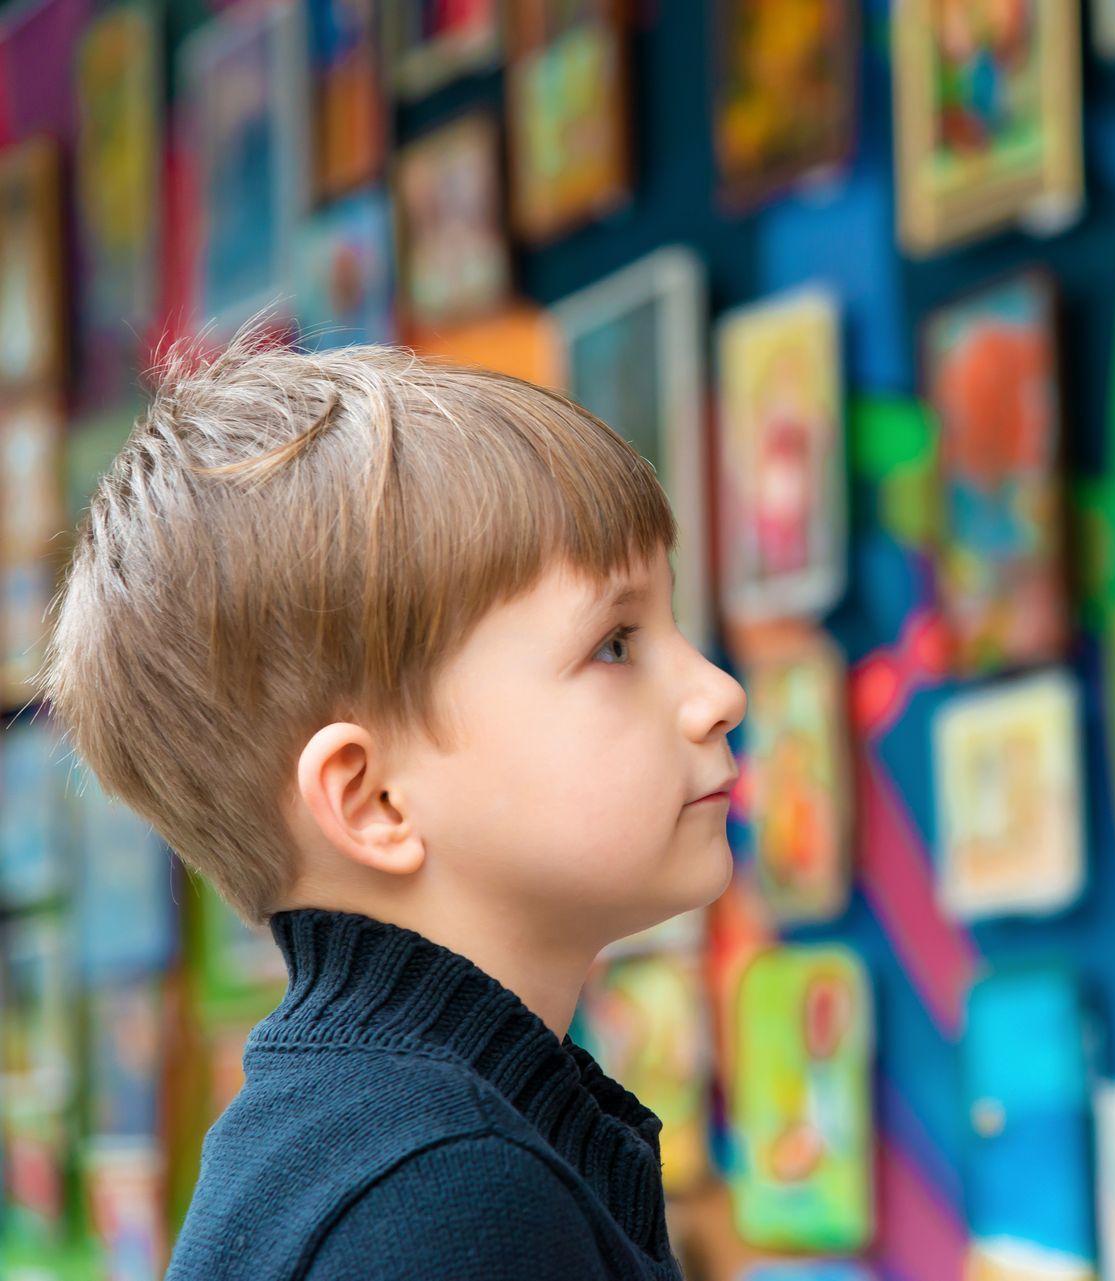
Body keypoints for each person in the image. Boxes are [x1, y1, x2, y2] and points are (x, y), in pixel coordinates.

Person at [41, 333, 746, 1279]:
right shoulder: (443, 1196)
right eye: (615, 643)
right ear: (372, 800)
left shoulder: (357, 1140)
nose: (718, 693)